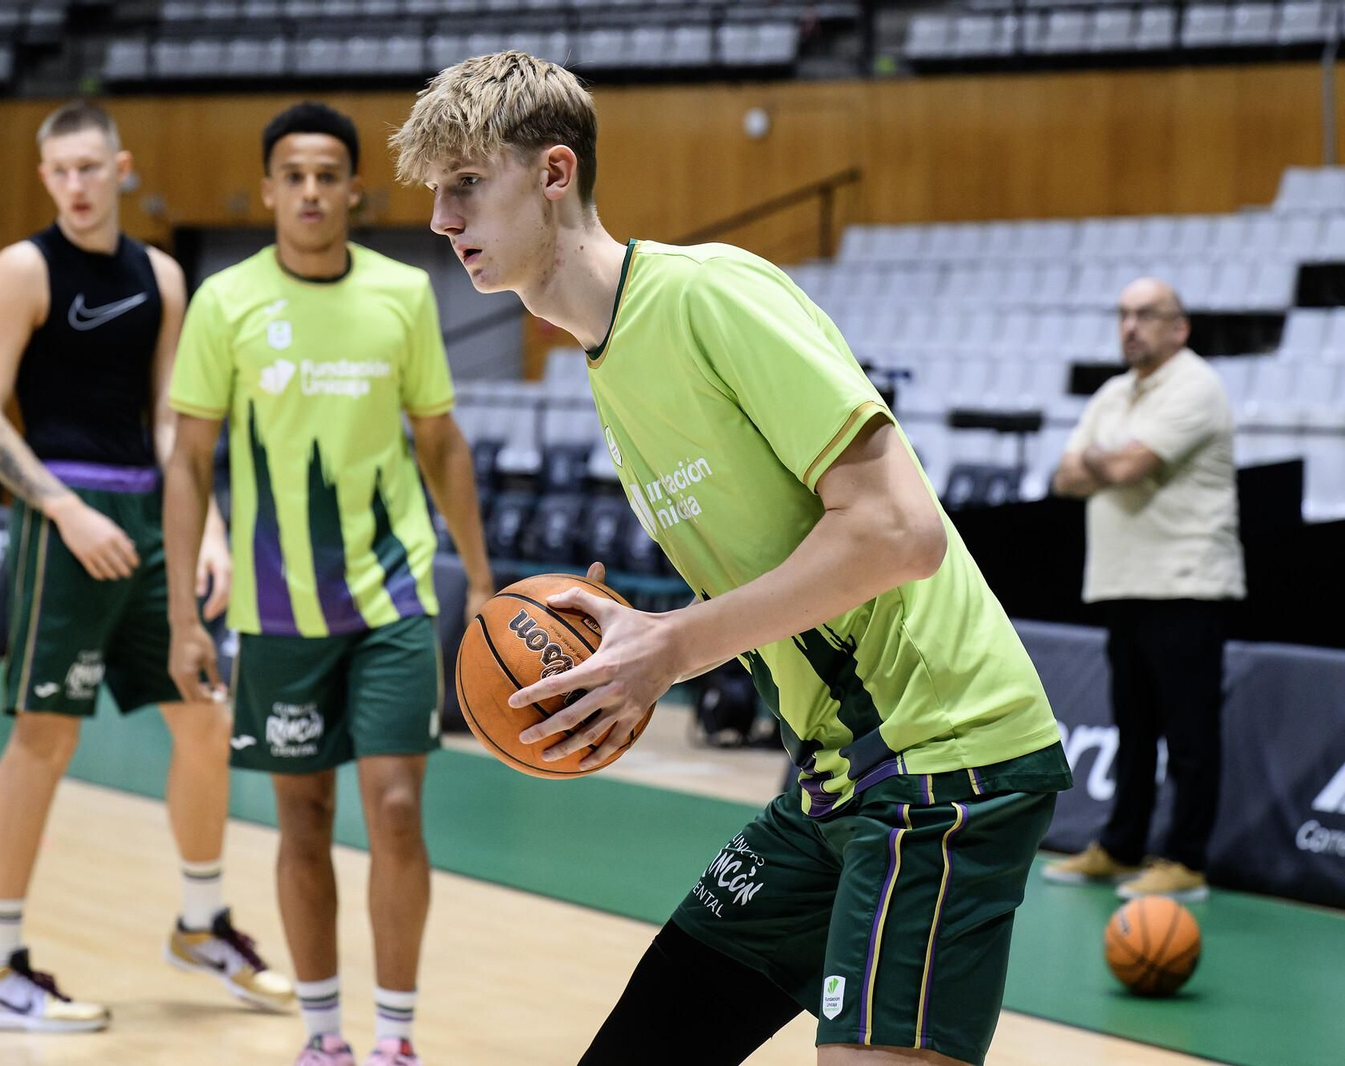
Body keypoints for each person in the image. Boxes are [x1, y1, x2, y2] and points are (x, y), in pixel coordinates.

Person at [391, 53, 1072, 1066]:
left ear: (553, 173)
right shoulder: (604, 359)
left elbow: (899, 531)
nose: (444, 222)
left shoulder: (708, 295)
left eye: (465, 186)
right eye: (436, 195)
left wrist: (673, 645)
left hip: (944, 755)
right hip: (836, 774)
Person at [0, 100, 294, 1032]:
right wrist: (61, 510)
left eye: (90, 168)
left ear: (120, 168)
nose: (75, 185)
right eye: (59, 170)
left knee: (204, 717)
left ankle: (201, 921)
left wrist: (208, 528)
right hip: (62, 515)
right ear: (45, 177)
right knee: (46, 737)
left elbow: (173, 420)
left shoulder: (163, 277)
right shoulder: (23, 269)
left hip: (151, 514)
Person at [163, 102, 493, 1066]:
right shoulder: (223, 302)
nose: (311, 191)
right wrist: (185, 615)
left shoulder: (403, 294)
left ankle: (394, 1040)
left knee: (395, 807)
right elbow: (187, 463)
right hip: (274, 615)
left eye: (328, 175)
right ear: (268, 189)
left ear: (356, 190)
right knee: (303, 816)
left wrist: (479, 580)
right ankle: (321, 1037)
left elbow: (439, 439)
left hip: (392, 600)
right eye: (293, 175)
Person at [1046, 278, 1243, 902]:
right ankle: (1121, 846)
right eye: (1124, 314)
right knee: (1132, 727)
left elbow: (1125, 467)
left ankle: (1186, 860)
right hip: (1121, 583)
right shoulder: (1111, 392)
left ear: (1179, 327)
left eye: (1147, 315)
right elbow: (1063, 477)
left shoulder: (1195, 386)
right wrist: (1113, 459)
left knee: (1188, 732)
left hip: (1186, 584)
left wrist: (1104, 459)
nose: (1131, 326)